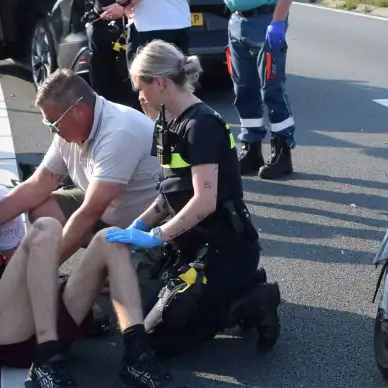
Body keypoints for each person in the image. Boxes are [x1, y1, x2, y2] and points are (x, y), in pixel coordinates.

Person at [107, 40, 281, 356]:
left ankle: (252, 299)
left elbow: (204, 201)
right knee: (143, 326)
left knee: (164, 342)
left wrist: (157, 236)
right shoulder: (170, 122)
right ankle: (227, 294)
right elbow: (169, 193)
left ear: (159, 82)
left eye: (141, 88)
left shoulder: (201, 127)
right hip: (192, 247)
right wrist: (140, 225)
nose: (139, 97)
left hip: (224, 250)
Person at [0, 217, 189, 388]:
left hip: (50, 313)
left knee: (111, 236)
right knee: (47, 225)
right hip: (7, 328)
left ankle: (137, 357)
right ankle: (46, 359)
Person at [0, 69, 160, 265]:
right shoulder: (68, 132)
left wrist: (40, 272)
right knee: (43, 210)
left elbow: (89, 212)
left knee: (76, 290)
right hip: (107, 209)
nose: (51, 130)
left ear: (78, 110)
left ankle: (114, 262)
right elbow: (37, 185)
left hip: (139, 225)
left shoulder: (119, 134)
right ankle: (99, 258)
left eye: (54, 123)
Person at [186, 0, 299, 180]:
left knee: (271, 88)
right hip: (236, 23)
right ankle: (251, 150)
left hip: (263, 21)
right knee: (243, 89)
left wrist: (278, 20)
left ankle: (282, 152)